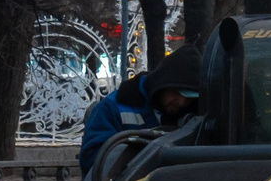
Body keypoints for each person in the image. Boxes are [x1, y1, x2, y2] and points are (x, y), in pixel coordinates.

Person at [78, 46, 201, 174]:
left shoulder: (191, 115)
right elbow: (92, 161)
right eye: (175, 93)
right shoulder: (111, 108)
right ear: (161, 85)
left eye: (188, 98)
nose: (181, 102)